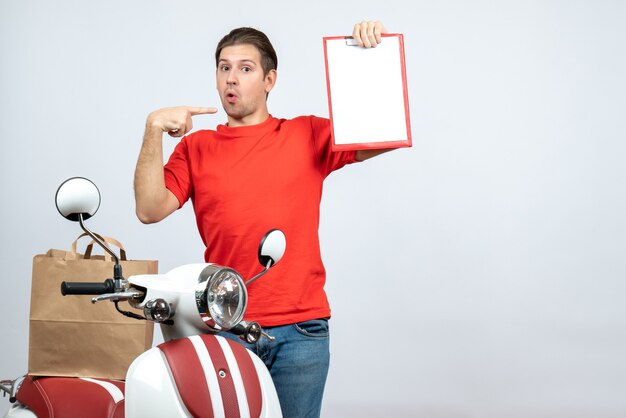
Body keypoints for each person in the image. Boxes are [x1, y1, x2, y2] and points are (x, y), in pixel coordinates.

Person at [134, 20, 398, 418]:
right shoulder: (196, 147)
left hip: (301, 330)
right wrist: (153, 128)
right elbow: (149, 209)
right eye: (224, 68)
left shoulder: (306, 134)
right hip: (226, 326)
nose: (231, 79)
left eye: (245, 68)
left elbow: (383, 131)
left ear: (269, 79)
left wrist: (369, 56)